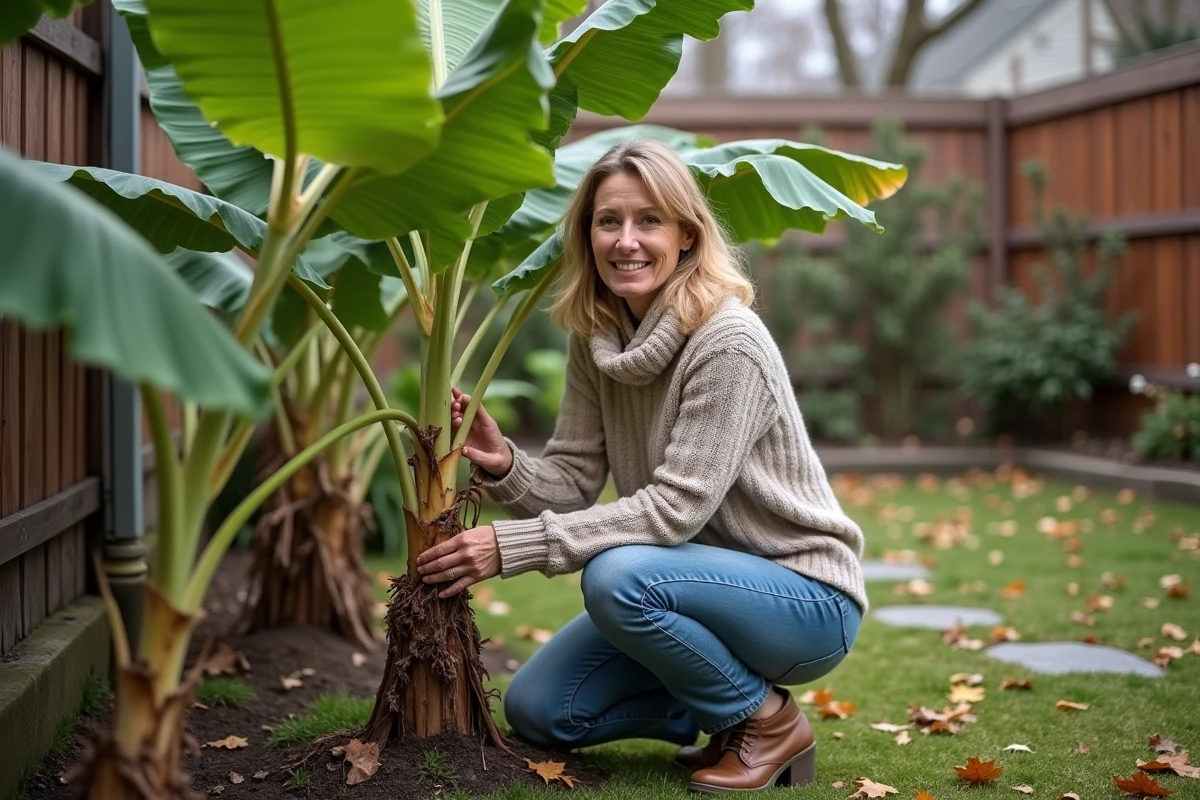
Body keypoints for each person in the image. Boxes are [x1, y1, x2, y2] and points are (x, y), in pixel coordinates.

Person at [415, 139, 866, 794]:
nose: (626, 241)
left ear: (686, 235)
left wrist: (509, 547)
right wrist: (505, 463)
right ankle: (720, 704)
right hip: (686, 587)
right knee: (541, 708)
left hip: (802, 596)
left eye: (648, 221)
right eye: (609, 221)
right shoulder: (596, 337)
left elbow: (672, 511)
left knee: (615, 576)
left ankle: (766, 721)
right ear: (587, 235)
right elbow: (571, 481)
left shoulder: (727, 340)